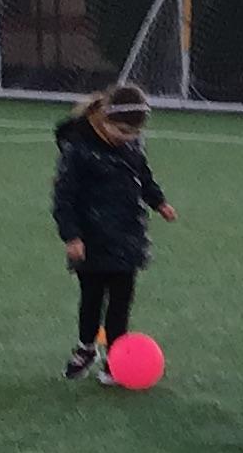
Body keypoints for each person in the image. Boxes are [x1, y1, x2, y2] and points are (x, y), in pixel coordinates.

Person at [53, 82, 174, 378]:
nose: (128, 138)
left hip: (127, 236)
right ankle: (86, 347)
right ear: (105, 118)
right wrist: (72, 235)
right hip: (91, 240)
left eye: (134, 133)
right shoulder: (78, 148)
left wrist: (158, 202)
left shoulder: (132, 144)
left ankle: (117, 357)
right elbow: (64, 197)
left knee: (121, 302)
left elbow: (142, 175)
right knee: (92, 298)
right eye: (122, 131)